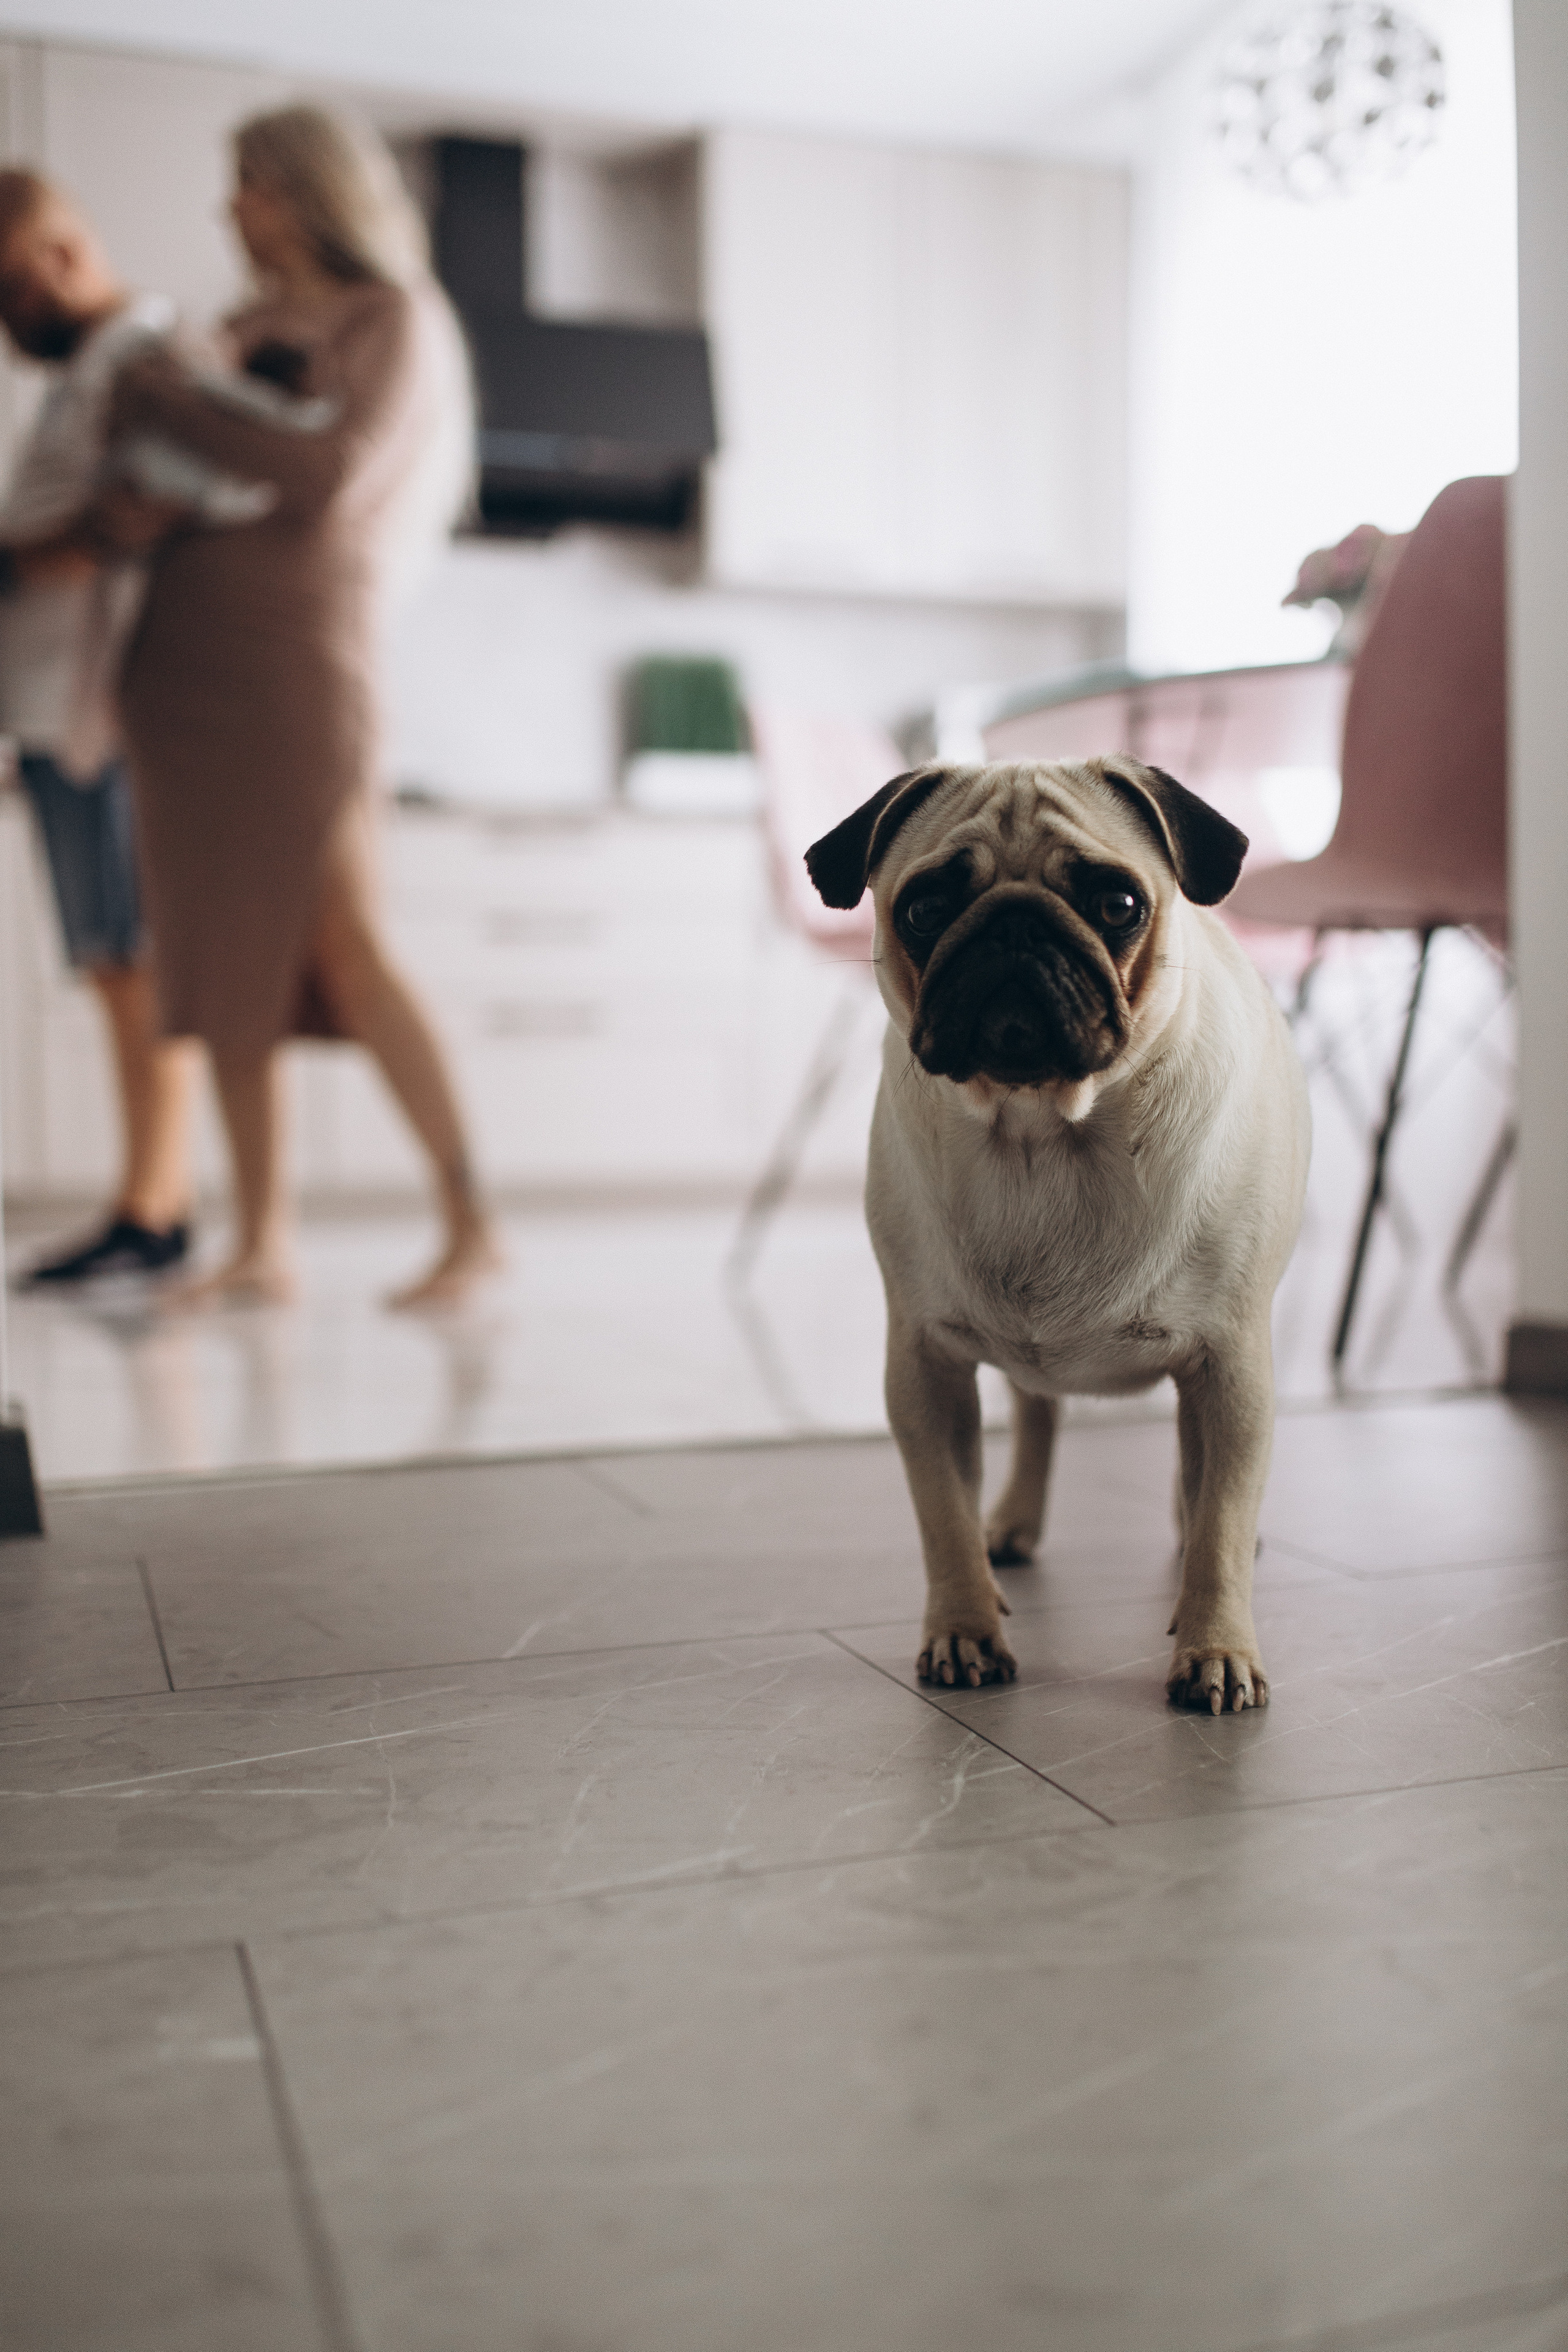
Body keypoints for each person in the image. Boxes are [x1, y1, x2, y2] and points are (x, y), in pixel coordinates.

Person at [103, 106, 499, 1310]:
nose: (230, 207)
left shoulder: (391, 318)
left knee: (346, 942)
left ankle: (472, 1225)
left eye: (250, 182)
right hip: (176, 683)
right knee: (221, 965)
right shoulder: (230, 330)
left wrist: (166, 402)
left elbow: (322, 475)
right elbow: (143, 491)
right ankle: (262, 1242)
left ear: (309, 188)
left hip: (295, 668)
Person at [0, 171, 198, 1285]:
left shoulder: (142, 359)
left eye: (10, 294)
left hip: (105, 716)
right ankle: (148, 1200)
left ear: (60, 258)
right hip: (54, 716)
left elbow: (133, 519)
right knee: (110, 964)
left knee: (136, 965)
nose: (7, 324)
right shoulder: (87, 371)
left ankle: (153, 1210)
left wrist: (9, 561)